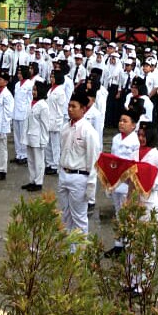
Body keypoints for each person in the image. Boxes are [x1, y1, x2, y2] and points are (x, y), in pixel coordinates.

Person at [57, 89, 100, 236]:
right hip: (64, 174)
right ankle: (69, 251)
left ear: (83, 109)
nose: (70, 109)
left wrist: (91, 186)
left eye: (73, 106)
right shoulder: (65, 127)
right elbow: (62, 151)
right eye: (69, 106)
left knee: (79, 218)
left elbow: (94, 161)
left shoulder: (89, 132)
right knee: (65, 216)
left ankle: (80, 256)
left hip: (79, 177)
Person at [103, 105, 143, 259]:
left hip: (127, 184)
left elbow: (134, 165)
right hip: (116, 182)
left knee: (129, 215)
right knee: (118, 214)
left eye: (125, 121)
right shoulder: (115, 139)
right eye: (120, 120)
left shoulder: (135, 141)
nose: (121, 123)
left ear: (133, 125)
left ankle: (129, 244)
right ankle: (119, 244)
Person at [22, 80, 51, 192]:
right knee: (31, 160)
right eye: (33, 90)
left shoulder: (43, 106)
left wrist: (44, 140)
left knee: (38, 161)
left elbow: (45, 125)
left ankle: (38, 182)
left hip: (38, 138)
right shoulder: (32, 103)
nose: (33, 92)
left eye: (35, 90)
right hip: (30, 136)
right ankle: (32, 180)